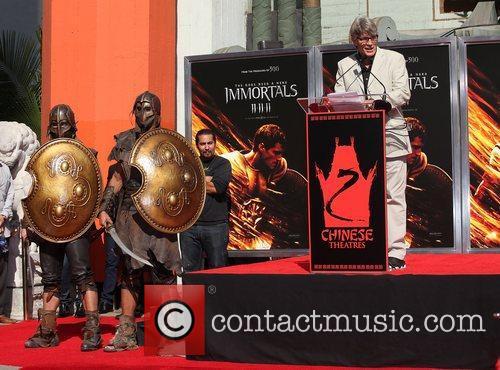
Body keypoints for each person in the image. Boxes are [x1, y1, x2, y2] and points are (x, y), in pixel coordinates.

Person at [98, 91, 181, 352]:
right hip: (130, 213)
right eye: (138, 108)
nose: (143, 114)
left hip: (160, 213)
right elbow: (117, 180)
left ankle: (171, 332)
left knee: (165, 271)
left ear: (157, 112)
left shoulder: (168, 141)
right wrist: (104, 208)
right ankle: (126, 331)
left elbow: (181, 179)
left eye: (148, 109)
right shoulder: (125, 140)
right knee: (129, 273)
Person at [335, 16, 411, 270]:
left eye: (373, 38)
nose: (369, 43)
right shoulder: (344, 65)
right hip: (360, 141)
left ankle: (396, 250)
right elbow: (338, 96)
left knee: (393, 196)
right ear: (354, 41)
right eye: (364, 39)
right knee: (362, 196)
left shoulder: (394, 59)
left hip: (391, 135)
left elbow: (404, 91)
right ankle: (368, 247)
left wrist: (385, 101)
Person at [24, 104, 101, 350]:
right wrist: (29, 223)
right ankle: (48, 331)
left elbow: (94, 191)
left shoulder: (87, 154)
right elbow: (30, 193)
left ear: (72, 125)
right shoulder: (40, 157)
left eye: (64, 124)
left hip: (76, 225)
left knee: (83, 277)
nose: (59, 129)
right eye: (55, 125)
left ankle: (92, 329)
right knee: (51, 280)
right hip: (48, 226)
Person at [222, 124, 307, 250]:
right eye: (275, 152)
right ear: (261, 146)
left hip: (256, 241)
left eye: (280, 154)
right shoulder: (230, 163)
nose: (278, 158)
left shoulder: (276, 168)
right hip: (231, 238)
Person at [180, 129, 231, 272]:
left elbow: (217, 188)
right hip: (189, 227)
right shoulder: (188, 164)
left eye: (210, 143)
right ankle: (193, 296)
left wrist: (191, 181)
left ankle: (218, 296)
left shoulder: (223, 164)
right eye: (203, 144)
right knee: (191, 274)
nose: (207, 147)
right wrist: (207, 179)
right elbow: (179, 186)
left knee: (218, 273)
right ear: (197, 145)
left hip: (216, 227)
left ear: (215, 144)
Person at [0, 161, 17, 324]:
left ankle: (1, 311)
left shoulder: (4, 169)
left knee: (2, 270)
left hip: (1, 227)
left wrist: (3, 215)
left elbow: (10, 194)